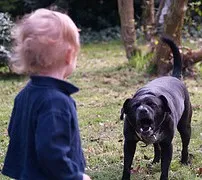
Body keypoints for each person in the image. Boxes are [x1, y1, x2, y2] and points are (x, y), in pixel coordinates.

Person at [2, 8, 91, 180]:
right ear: (69, 55)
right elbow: (52, 152)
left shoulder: (24, 95)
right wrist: (75, 177)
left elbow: (14, 131)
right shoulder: (57, 102)